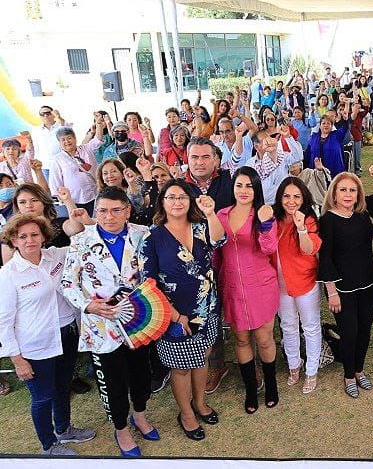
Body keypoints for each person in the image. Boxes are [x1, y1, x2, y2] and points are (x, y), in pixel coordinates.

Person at [61, 187, 157, 456]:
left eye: (116, 210)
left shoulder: (143, 234)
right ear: (95, 212)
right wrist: (89, 305)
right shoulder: (81, 240)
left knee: (141, 376)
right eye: (102, 210)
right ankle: (121, 429)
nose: (109, 216)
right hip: (101, 327)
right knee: (114, 382)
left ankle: (140, 415)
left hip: (138, 321)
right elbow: (68, 282)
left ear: (127, 210)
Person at [0, 214, 96, 455]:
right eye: (22, 236)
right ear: (13, 240)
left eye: (35, 234)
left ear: (43, 236)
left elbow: (83, 239)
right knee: (42, 397)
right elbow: (3, 320)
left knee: (62, 387)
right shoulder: (8, 274)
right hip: (35, 346)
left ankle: (63, 430)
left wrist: (80, 215)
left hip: (67, 334)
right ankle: (49, 445)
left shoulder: (57, 255)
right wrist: (16, 359)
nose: (30, 240)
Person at [138, 180, 225, 441]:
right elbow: (148, 284)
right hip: (174, 316)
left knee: (203, 357)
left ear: (190, 202)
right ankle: (186, 413)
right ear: (162, 202)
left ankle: (199, 403)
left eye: (182, 197)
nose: (177, 202)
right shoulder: (152, 237)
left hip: (207, 308)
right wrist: (176, 316)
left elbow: (219, 239)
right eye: (171, 197)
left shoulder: (200, 227)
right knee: (181, 368)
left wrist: (210, 213)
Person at [214, 167, 280, 413]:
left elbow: (269, 248)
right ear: (233, 188)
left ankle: (271, 384)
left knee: (264, 339)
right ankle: (251, 388)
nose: (243, 191)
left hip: (261, 286)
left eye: (249, 186)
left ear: (256, 189)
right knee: (241, 339)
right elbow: (215, 253)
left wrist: (265, 224)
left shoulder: (262, 214)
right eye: (239, 185)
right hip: (232, 287)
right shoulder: (221, 215)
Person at [319, 173, 373, 398]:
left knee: (364, 330)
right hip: (342, 289)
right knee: (350, 332)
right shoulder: (327, 220)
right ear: (334, 193)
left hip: (369, 283)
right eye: (343, 190)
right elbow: (325, 258)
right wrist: (331, 291)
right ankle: (347, 375)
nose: (347, 194)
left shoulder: (362, 216)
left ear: (358, 195)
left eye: (352, 190)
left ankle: (358, 370)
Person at [272, 176, 323, 394]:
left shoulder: (309, 219)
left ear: (303, 199)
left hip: (305, 282)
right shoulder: (273, 219)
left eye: (296, 196)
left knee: (310, 327)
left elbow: (309, 249)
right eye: (286, 196)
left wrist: (301, 227)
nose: (291, 201)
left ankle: (312, 371)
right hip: (280, 286)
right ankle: (294, 365)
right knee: (288, 327)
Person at [49, 126, 104, 214]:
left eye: (69, 138)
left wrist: (98, 124)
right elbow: (55, 181)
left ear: (75, 138)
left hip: (94, 194)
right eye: (63, 140)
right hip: (74, 199)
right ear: (59, 142)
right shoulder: (57, 159)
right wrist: (61, 198)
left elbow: (98, 140)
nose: (67, 141)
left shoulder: (86, 149)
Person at [31, 105, 67, 181]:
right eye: (42, 114)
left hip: (62, 164)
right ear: (40, 117)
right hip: (45, 166)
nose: (45, 115)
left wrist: (59, 117)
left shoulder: (61, 125)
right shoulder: (36, 131)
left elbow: (68, 131)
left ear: (53, 114)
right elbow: (36, 148)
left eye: (48, 113)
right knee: (49, 191)